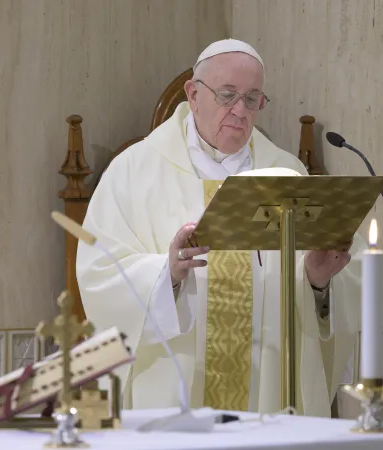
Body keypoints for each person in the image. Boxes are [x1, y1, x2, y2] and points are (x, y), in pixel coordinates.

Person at [76, 39, 366, 417]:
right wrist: (169, 275)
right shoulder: (134, 171)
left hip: (270, 400)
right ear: (194, 94)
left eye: (252, 99)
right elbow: (99, 276)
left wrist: (317, 282)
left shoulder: (287, 174)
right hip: (172, 398)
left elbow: (335, 283)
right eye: (227, 95)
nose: (239, 111)